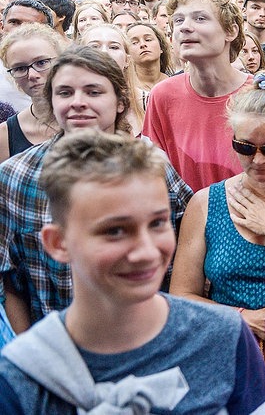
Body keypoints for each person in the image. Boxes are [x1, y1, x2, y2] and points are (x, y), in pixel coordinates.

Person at [0, 130, 265, 414]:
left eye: (158, 223)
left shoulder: (224, 336)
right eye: (115, 231)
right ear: (59, 244)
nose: (146, 251)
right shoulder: (20, 378)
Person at [0, 46, 192, 333]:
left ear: (119, 102)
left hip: (147, 336)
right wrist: (29, 352)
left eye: (93, 92)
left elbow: (188, 257)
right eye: (65, 93)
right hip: (58, 346)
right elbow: (10, 279)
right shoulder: (16, 176)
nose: (78, 102)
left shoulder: (152, 168)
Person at [169, 73, 265, 347]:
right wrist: (244, 318)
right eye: (245, 147)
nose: (259, 159)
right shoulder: (206, 203)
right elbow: (182, 297)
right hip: (228, 350)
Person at [142, 0, 252, 191]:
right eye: (178, 20)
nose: (184, 27)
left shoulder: (260, 94)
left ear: (231, 31)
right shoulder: (162, 95)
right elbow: (151, 180)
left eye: (200, 18)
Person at [0, 24, 62, 162]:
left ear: (62, 60)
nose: (32, 75)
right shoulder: (5, 135)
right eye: (20, 68)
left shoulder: (92, 117)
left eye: (41, 63)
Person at [126, 21, 173, 91]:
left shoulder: (176, 83)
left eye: (148, 40)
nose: (142, 44)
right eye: (134, 42)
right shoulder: (125, 89)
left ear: (161, 47)